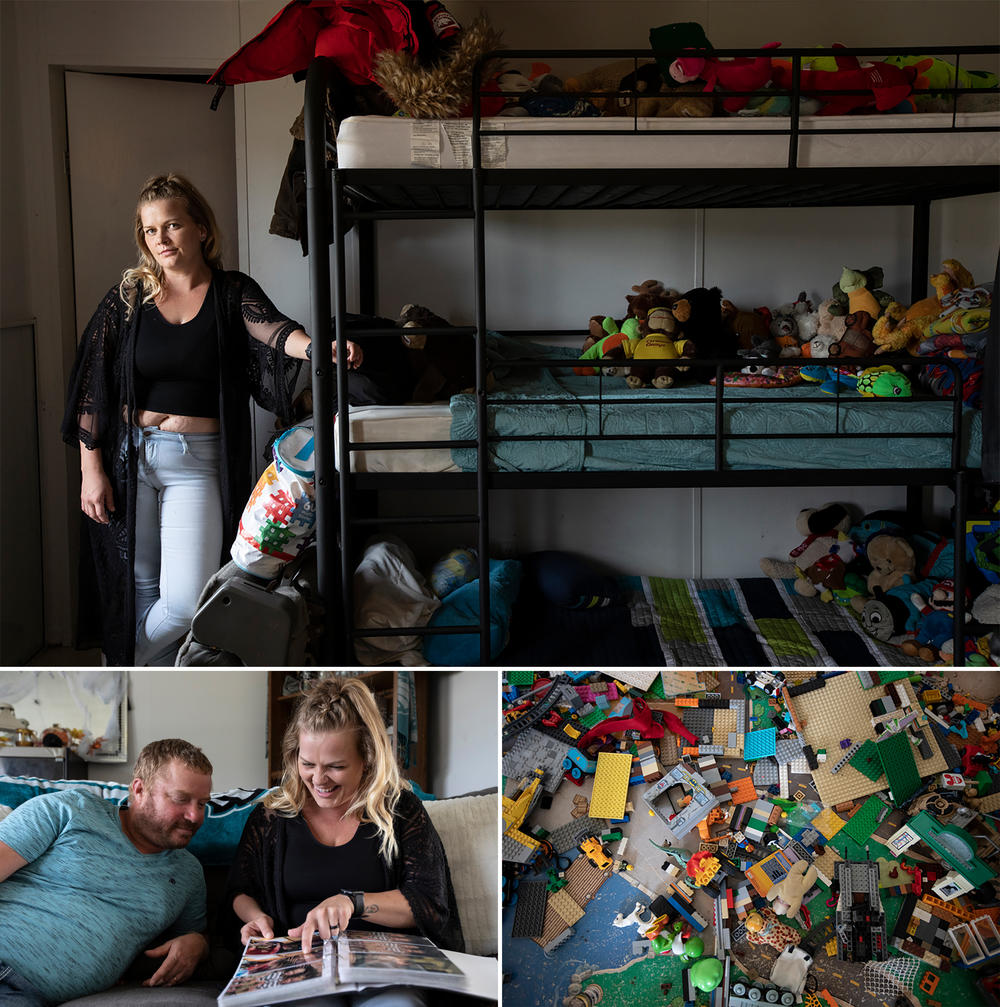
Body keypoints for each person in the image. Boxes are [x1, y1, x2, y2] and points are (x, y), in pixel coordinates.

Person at [61, 172, 362, 666]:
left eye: (172, 225)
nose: (160, 239)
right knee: (137, 590)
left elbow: (275, 331)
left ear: (200, 229)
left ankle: (124, 666)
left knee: (183, 604)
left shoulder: (229, 292)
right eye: (150, 230)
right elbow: (92, 387)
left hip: (197, 463)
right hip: (128, 459)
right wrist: (90, 471)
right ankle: (149, 680)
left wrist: (318, 350)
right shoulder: (129, 298)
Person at [227, 676, 463, 1006]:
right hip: (301, 968)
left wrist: (353, 902)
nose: (318, 779)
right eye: (307, 763)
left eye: (336, 767)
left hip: (385, 970)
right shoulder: (271, 817)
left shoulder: (401, 810)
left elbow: (430, 904)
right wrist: (255, 916)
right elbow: (241, 888)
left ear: (367, 759)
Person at [0, 738, 214, 1006]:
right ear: (139, 789)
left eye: (203, 803)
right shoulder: (68, 810)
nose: (195, 817)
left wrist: (198, 944)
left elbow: (199, 936)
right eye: (181, 799)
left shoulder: (189, 874)